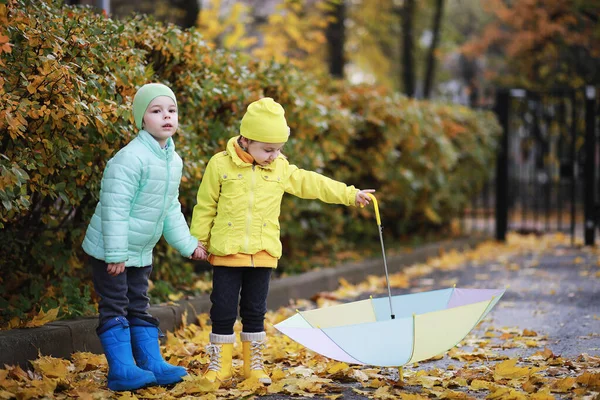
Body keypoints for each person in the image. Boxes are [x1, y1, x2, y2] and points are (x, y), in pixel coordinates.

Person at [190, 97, 374, 384]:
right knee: (222, 309)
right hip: (227, 252)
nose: (274, 155)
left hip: (263, 252)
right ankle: (220, 365)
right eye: (267, 149)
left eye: (278, 149)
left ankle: (254, 366)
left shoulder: (280, 169)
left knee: (255, 310)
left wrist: (350, 194)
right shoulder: (220, 165)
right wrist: (197, 241)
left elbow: (314, 184)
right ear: (246, 139)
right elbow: (206, 205)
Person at [82, 83, 207, 391]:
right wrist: (115, 253)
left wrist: (189, 245)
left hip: (139, 251)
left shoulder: (172, 161)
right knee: (115, 305)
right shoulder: (130, 159)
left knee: (139, 304)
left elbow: (169, 209)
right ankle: (122, 371)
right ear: (141, 120)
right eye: (156, 111)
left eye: (171, 110)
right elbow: (114, 207)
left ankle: (151, 364)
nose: (166, 116)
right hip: (111, 251)